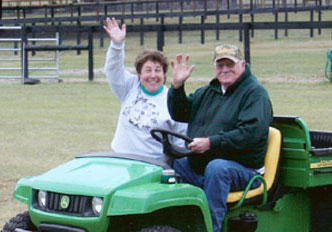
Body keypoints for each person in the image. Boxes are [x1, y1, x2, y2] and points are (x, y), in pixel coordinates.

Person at [167, 44, 273, 232]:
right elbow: (180, 113)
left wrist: (210, 143)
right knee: (173, 164)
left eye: (230, 64)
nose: (224, 70)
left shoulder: (255, 94)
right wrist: (177, 87)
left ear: (243, 65)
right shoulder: (209, 92)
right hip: (205, 166)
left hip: (245, 170)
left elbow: (249, 134)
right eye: (220, 65)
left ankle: (211, 228)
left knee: (217, 168)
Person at [103, 17, 187, 161]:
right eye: (147, 70)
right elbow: (113, 69)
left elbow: (180, 143)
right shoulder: (130, 87)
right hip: (120, 159)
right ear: (140, 74)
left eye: (157, 70)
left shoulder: (174, 100)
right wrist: (117, 45)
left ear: (164, 74)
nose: (153, 75)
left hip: (152, 165)